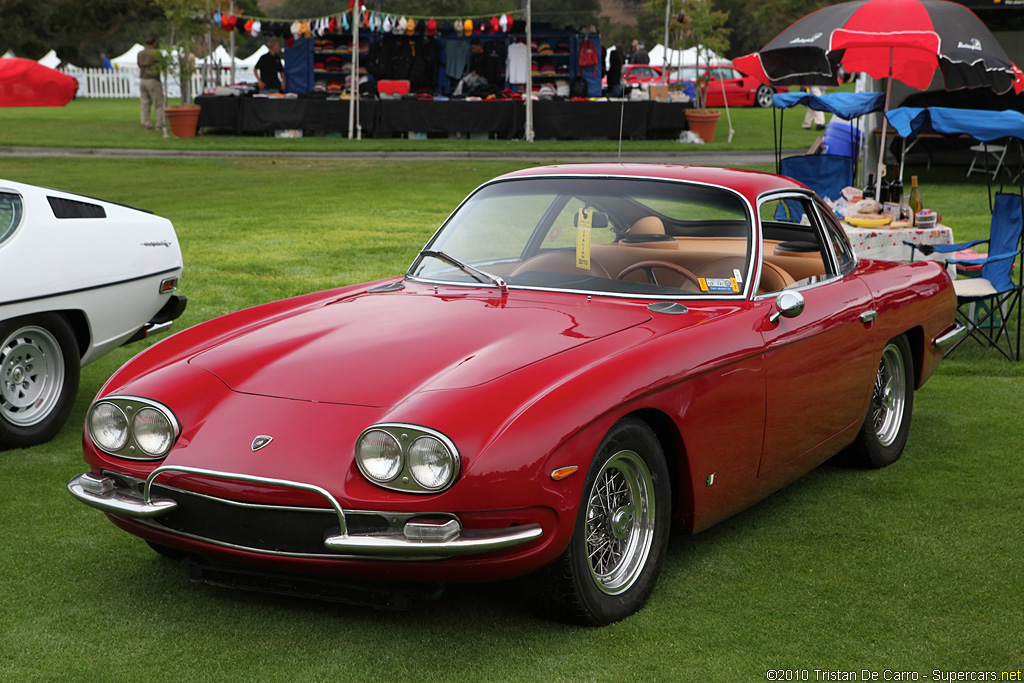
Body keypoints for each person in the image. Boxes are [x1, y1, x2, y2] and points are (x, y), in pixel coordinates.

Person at [137, 37, 164, 131]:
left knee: (145, 102)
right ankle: (159, 123)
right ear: (153, 43)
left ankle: (146, 122)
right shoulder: (156, 53)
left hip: (143, 79)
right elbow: (162, 64)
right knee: (158, 103)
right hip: (153, 79)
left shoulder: (140, 54)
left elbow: (139, 65)